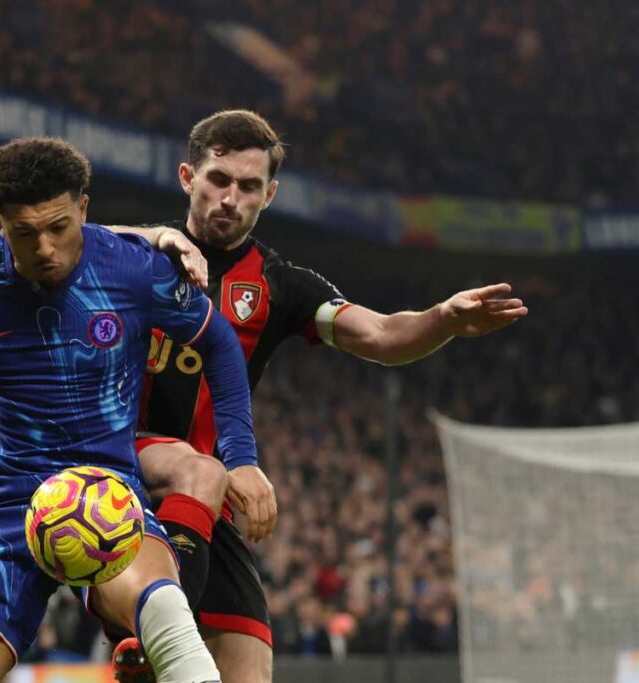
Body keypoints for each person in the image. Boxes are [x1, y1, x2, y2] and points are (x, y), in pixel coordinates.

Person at [115, 109, 528, 682]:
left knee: (249, 671)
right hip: (122, 475)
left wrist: (442, 320)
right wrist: (155, 236)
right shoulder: (135, 256)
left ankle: (155, 636)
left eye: (248, 186)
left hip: (205, 504)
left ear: (269, 195)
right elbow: (75, 239)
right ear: (188, 178)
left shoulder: (279, 285)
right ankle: (155, 630)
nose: (230, 198)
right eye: (218, 180)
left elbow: (380, 335)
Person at [0, 136, 261, 683]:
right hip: (2, 499)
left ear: (83, 209)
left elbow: (218, 342)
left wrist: (241, 456)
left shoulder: (134, 269)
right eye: (24, 233)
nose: (44, 248)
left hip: (105, 492)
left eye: (58, 227)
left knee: (164, 614)